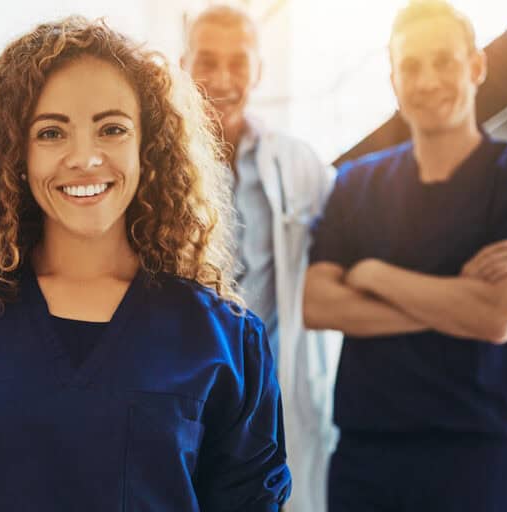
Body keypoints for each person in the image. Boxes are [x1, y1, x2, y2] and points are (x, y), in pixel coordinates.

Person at [0, 17, 291, 511]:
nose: (85, 157)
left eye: (112, 129)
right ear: (15, 152)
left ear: (148, 148)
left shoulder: (225, 342)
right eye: (52, 132)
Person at [302, 2, 507, 510]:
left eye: (443, 62)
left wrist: (373, 273)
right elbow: (318, 305)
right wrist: (454, 300)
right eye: (410, 66)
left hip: (479, 463)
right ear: (394, 79)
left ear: (476, 67)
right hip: (367, 464)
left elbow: (495, 316)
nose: (426, 81)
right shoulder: (358, 184)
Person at [181, 6, 341, 511]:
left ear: (259, 70)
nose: (223, 79)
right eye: (207, 61)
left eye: (239, 63)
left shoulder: (299, 165)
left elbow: (346, 254)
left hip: (278, 396)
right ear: (183, 63)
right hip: (188, 388)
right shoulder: (151, 163)